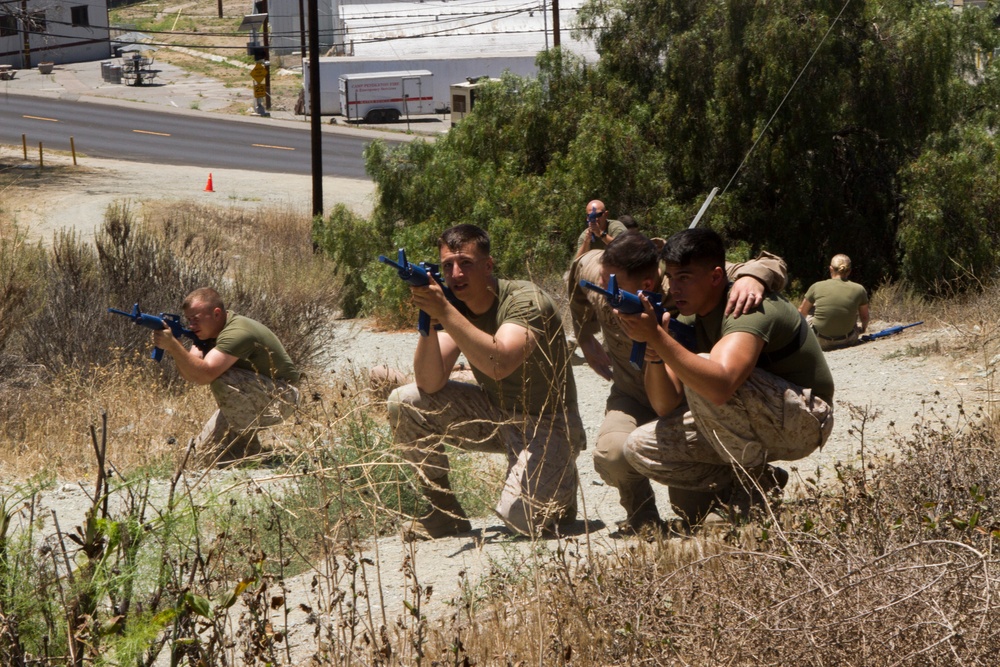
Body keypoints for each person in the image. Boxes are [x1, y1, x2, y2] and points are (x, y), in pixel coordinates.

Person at [567, 230, 788, 533]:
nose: (603, 290)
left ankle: (757, 480)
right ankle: (641, 513)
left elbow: (766, 264)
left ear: (646, 285)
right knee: (613, 453)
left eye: (611, 285)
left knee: (694, 512)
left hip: (683, 402)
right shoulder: (600, 272)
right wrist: (585, 336)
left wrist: (754, 277)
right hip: (631, 397)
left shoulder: (683, 284)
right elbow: (580, 271)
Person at [616, 228, 834, 528]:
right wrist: (656, 349)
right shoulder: (690, 315)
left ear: (716, 277)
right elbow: (665, 405)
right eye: (671, 277)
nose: (674, 288)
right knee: (639, 447)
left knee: (704, 368)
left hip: (807, 418)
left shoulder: (747, 305)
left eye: (685, 278)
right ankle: (761, 481)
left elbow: (720, 386)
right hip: (760, 416)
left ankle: (750, 491)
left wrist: (655, 335)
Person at [387, 224, 584, 540]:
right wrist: (430, 321)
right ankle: (443, 513)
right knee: (405, 402)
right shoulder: (456, 307)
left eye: (465, 263)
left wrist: (447, 312)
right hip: (497, 416)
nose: (455, 273)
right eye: (447, 265)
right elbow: (429, 382)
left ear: (488, 266)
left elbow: (499, 363)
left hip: (548, 425)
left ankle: (561, 486)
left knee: (518, 520)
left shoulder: (525, 301)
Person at [152, 287, 301, 467]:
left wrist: (174, 346)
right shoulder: (208, 334)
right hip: (258, 394)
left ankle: (249, 449)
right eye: (189, 320)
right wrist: (184, 347)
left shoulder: (237, 332)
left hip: (283, 397)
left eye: (196, 320)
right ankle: (259, 449)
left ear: (216, 313)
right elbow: (190, 375)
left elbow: (205, 375)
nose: (191, 326)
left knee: (221, 377)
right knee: (201, 459)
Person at [798, 254, 869, 350]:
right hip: (848, 339)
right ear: (849, 271)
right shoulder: (859, 289)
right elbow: (864, 316)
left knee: (812, 309)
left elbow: (802, 312)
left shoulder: (816, 286)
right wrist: (863, 329)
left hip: (819, 341)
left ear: (831, 269)